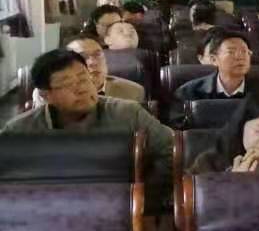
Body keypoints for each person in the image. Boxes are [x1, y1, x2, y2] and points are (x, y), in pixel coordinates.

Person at [5, 49, 173, 206]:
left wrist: (143, 196)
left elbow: (172, 150)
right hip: (47, 210)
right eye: (67, 84)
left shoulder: (128, 114)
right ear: (45, 95)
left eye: (83, 78)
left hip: (119, 208)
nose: (82, 89)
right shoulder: (19, 131)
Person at [63, 35, 146, 103]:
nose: (93, 62)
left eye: (97, 55)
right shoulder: (61, 95)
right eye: (82, 56)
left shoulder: (133, 92)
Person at [175, 31, 253, 101]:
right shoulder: (189, 92)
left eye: (244, 51)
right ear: (213, 59)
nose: (240, 57)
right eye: (231, 52)